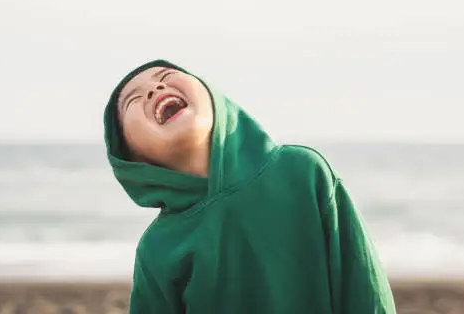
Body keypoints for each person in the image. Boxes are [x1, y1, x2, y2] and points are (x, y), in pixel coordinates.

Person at [103, 59, 396, 314]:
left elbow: (364, 287)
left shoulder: (302, 172)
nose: (155, 90)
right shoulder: (158, 248)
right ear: (130, 158)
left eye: (165, 77)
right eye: (133, 100)